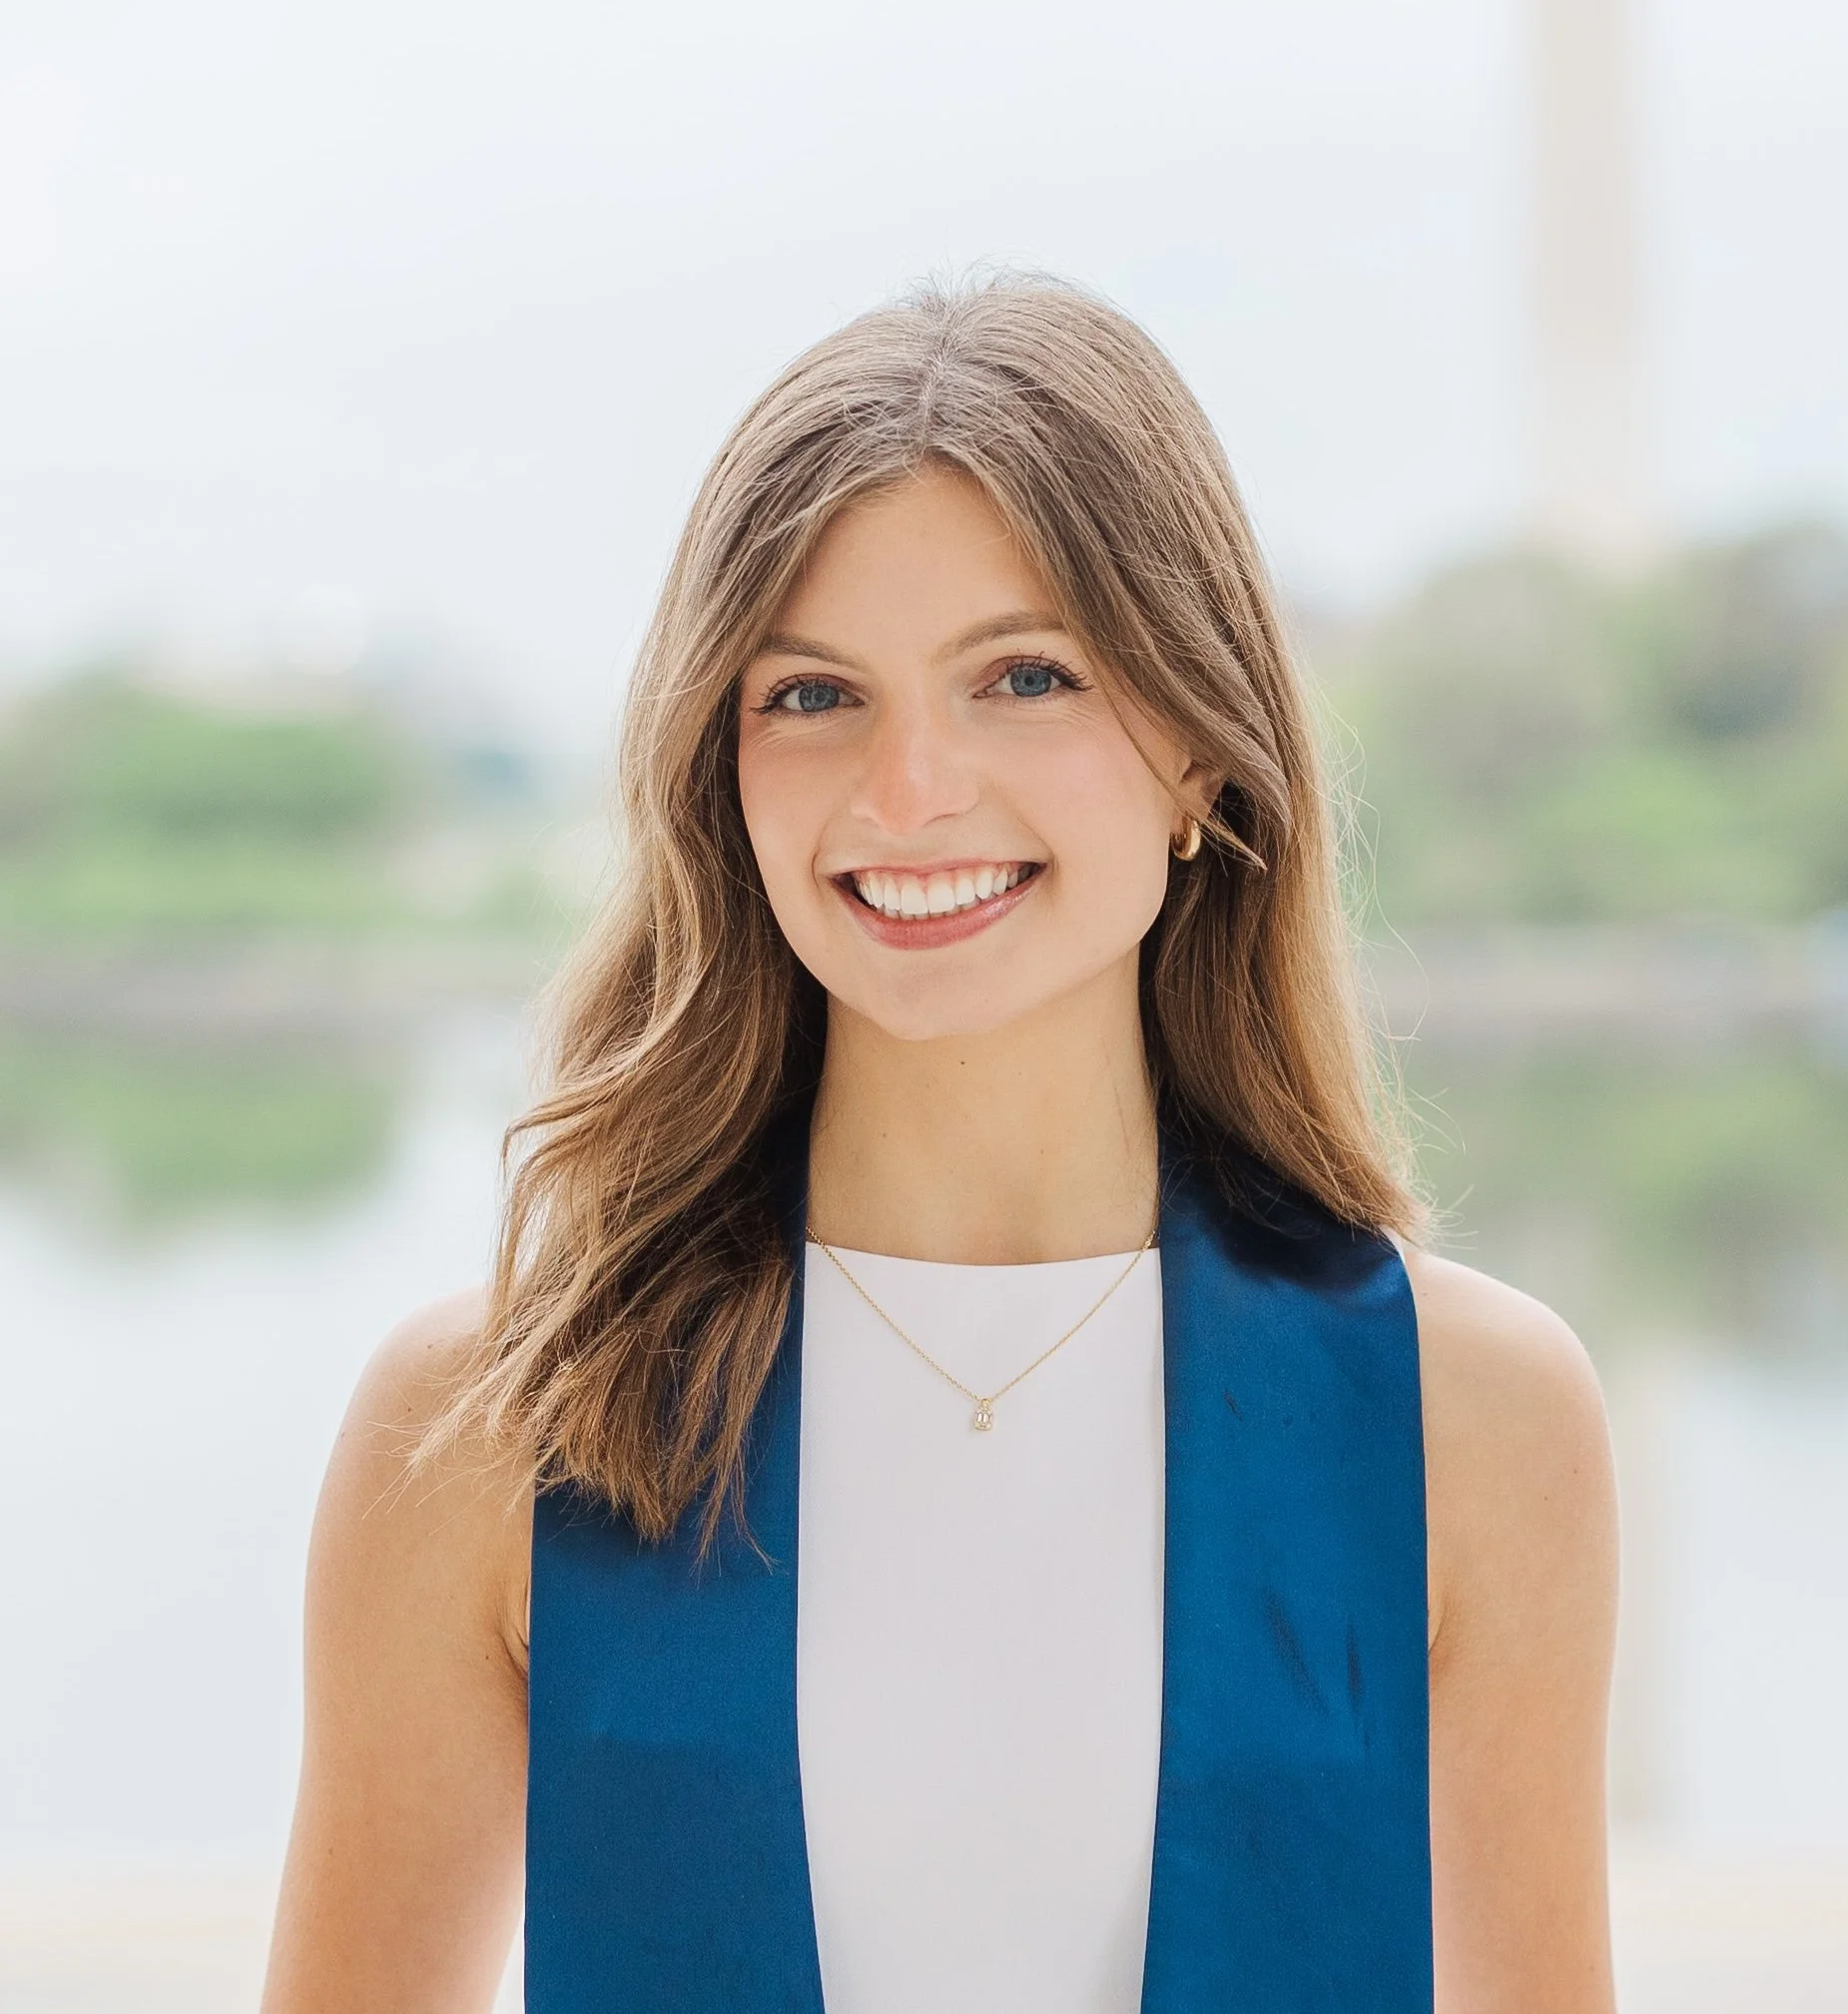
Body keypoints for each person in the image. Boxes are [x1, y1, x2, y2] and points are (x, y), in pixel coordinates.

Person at [261, 277, 1618, 2014]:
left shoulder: (1472, 1418)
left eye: (1024, 676)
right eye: (814, 695)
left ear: (1203, 751)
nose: (910, 791)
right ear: (719, 770)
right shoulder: (487, 1430)